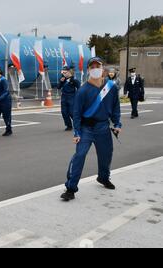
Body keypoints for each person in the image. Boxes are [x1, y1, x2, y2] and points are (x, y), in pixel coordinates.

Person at [61, 57, 122, 201]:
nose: (95, 68)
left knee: (106, 155)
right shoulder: (83, 90)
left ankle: (103, 178)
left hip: (103, 127)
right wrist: (76, 132)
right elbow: (76, 114)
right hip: (86, 129)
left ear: (102, 68)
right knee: (80, 155)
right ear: (88, 70)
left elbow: (115, 108)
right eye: (92, 66)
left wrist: (117, 124)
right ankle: (70, 188)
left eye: (98, 66)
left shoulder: (111, 87)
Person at [58, 66, 81, 131]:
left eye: (65, 72)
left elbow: (79, 88)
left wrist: (78, 97)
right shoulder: (63, 79)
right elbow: (58, 87)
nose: (64, 74)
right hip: (64, 97)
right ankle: (69, 125)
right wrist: (61, 82)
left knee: (72, 112)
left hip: (72, 96)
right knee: (64, 112)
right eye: (63, 72)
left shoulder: (74, 79)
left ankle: (78, 124)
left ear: (69, 72)